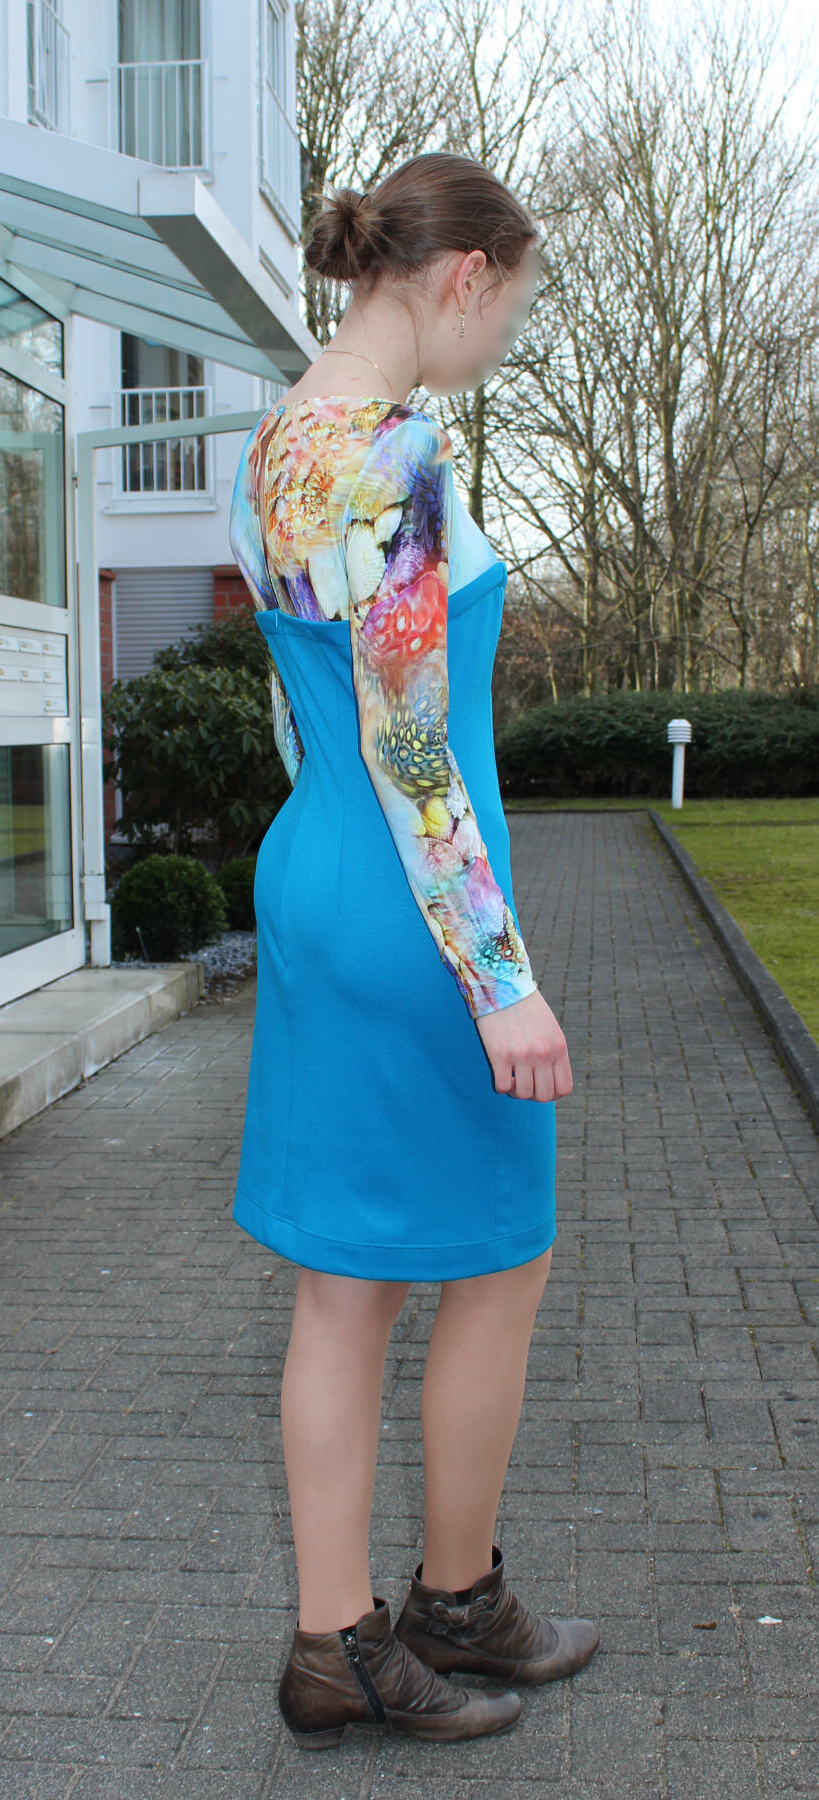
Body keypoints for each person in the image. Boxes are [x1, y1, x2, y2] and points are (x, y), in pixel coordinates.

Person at [227, 150, 599, 1750]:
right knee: (499, 1254)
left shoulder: (278, 441)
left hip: (319, 875)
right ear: (461, 277)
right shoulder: (393, 453)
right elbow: (415, 746)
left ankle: (342, 1646)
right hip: (410, 911)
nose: (496, 345)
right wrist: (498, 981)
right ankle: (447, 1605)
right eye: (504, 315)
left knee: (343, 1288)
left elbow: (306, 715)